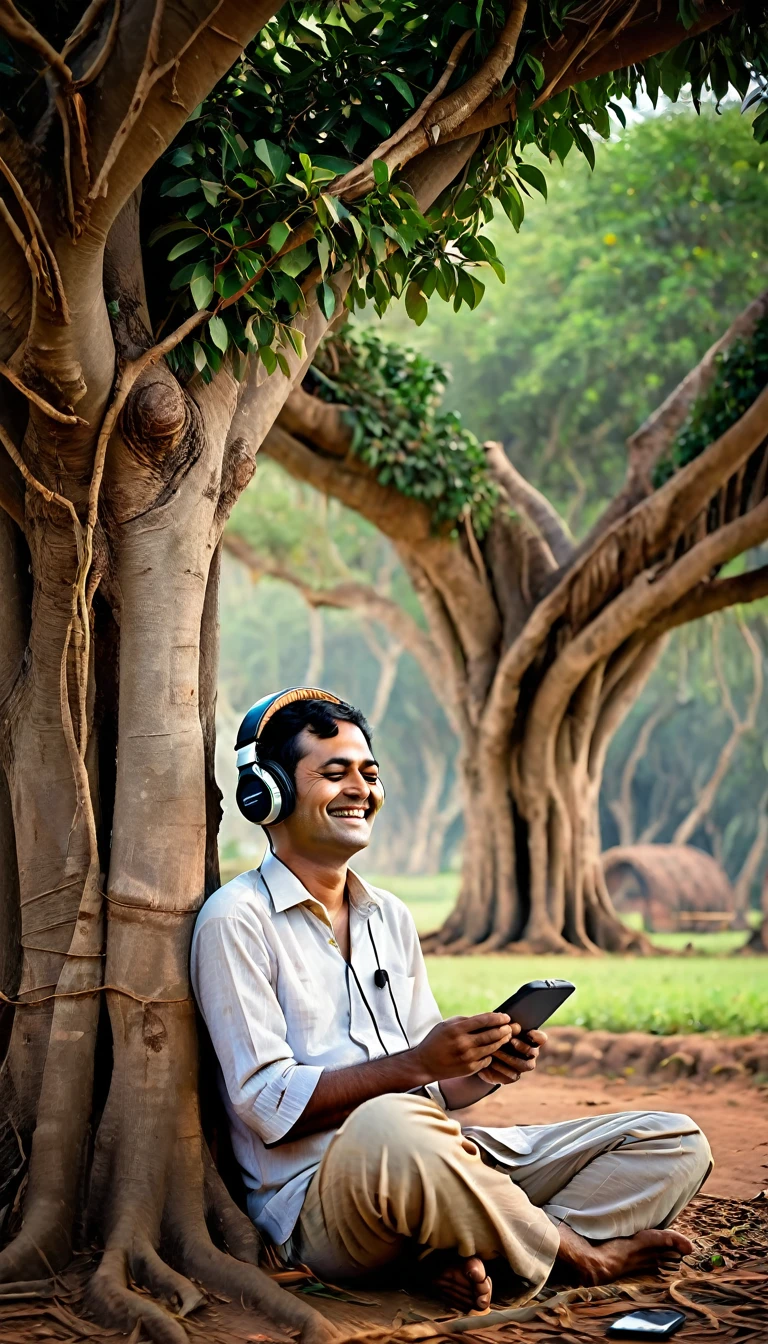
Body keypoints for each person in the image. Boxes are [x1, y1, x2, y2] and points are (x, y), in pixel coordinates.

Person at [191, 688, 712, 1312]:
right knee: (392, 1123)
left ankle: (470, 1249)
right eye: (334, 773)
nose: (360, 788)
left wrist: (480, 1070)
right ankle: (577, 1253)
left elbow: (437, 1093)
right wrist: (417, 1066)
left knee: (671, 1139)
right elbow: (265, 1106)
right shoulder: (236, 920)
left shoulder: (390, 916)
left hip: (439, 1156)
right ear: (266, 795)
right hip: (321, 1200)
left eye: (370, 773)